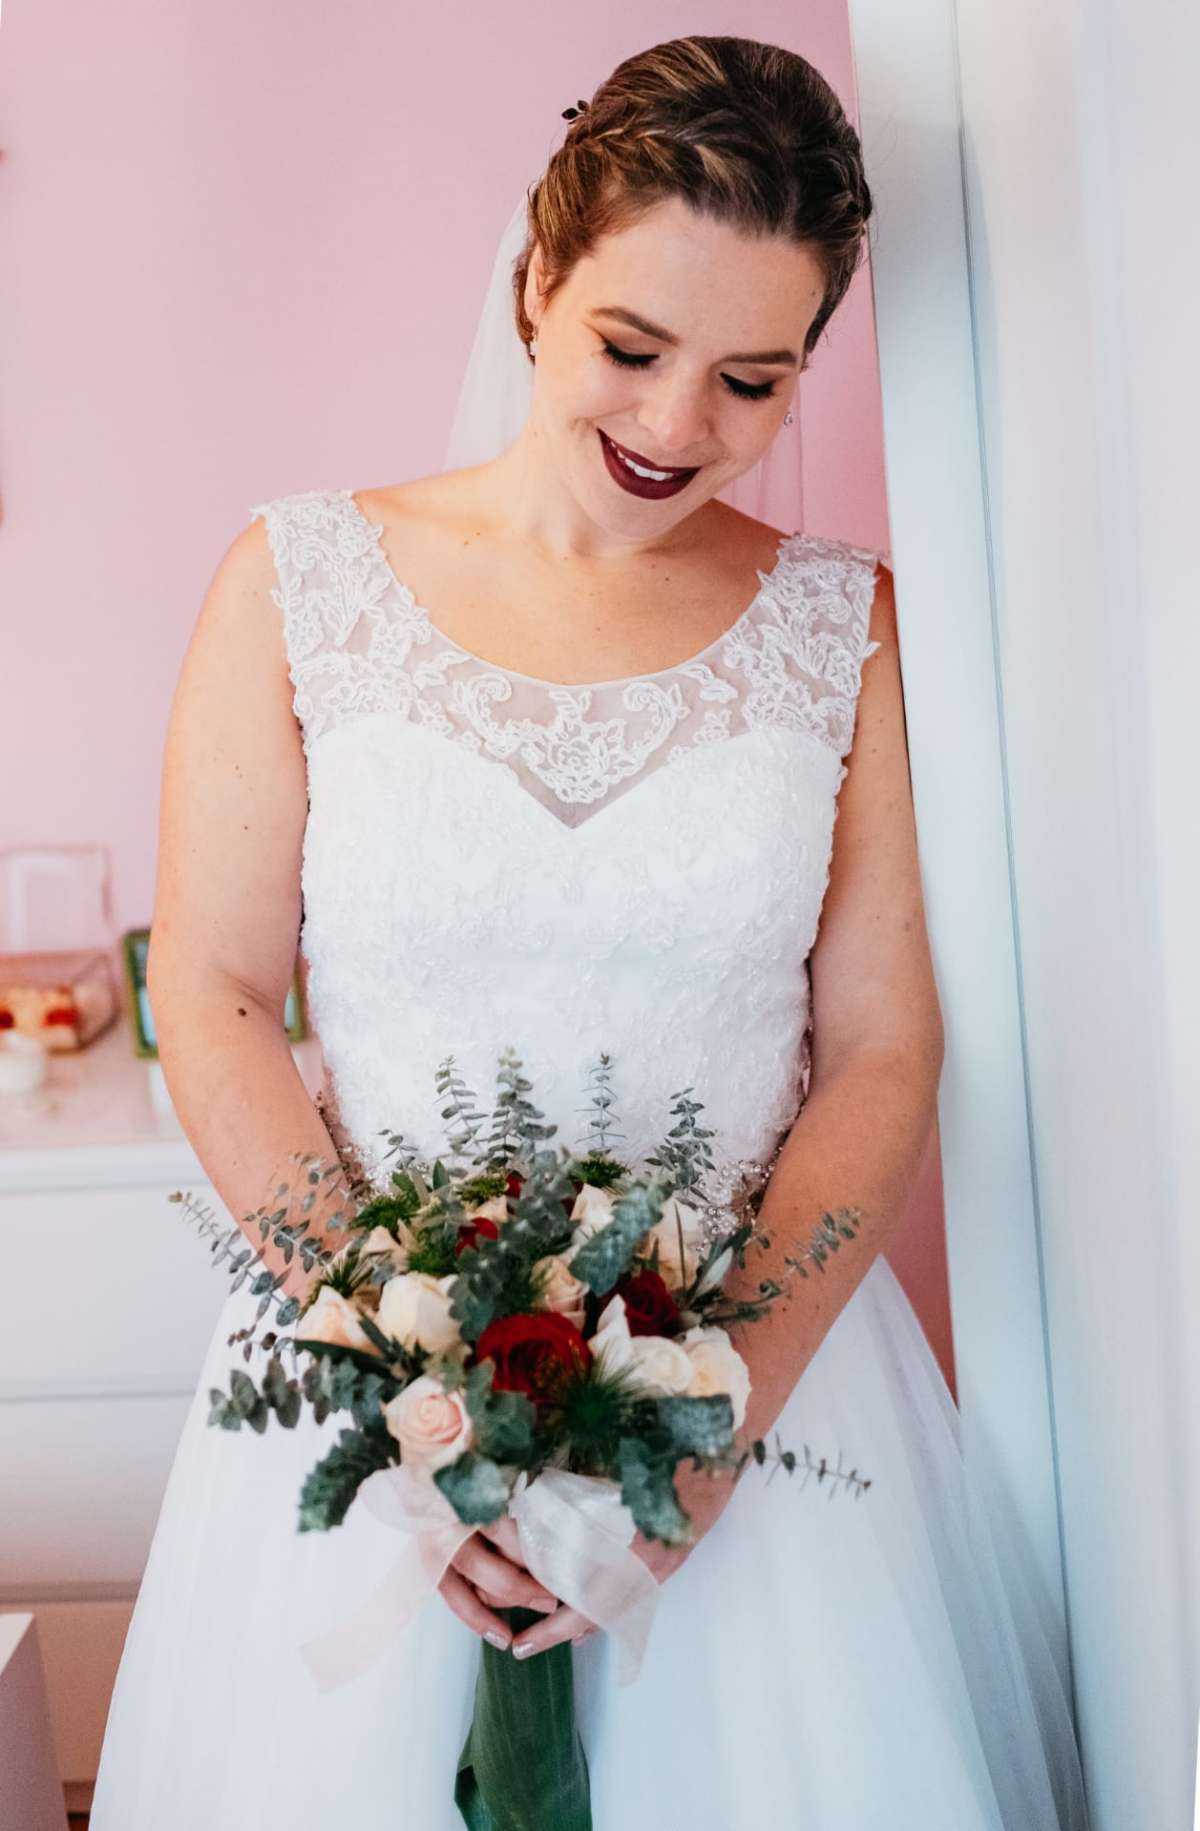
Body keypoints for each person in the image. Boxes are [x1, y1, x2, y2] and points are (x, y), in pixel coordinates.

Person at [90, 33, 1091, 1829]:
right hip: (366, 1371)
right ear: (539, 276)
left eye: (753, 383)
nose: (676, 429)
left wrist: (710, 1425)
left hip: (755, 1400)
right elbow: (225, 998)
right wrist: (406, 1382)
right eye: (633, 348)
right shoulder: (294, 582)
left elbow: (882, 1047)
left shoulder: (840, 629)